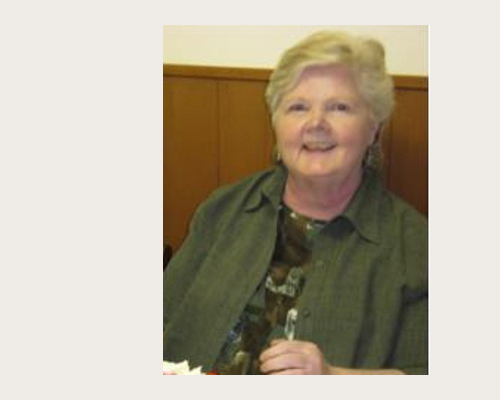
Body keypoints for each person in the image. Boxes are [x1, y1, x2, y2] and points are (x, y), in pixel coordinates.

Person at [163, 30, 428, 375]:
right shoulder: (223, 209)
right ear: (276, 123)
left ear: (374, 127)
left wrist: (332, 377)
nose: (316, 123)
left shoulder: (415, 246)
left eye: (339, 107)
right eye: (298, 107)